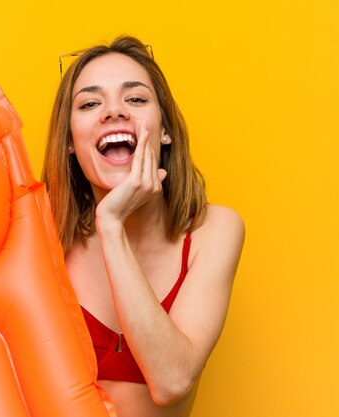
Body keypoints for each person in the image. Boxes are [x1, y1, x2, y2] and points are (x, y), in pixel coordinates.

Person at [42, 36, 245, 417]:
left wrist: (112, 224)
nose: (113, 112)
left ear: (164, 130)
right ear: (70, 142)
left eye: (135, 99)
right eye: (89, 103)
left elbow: (171, 382)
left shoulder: (214, 231)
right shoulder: (39, 233)